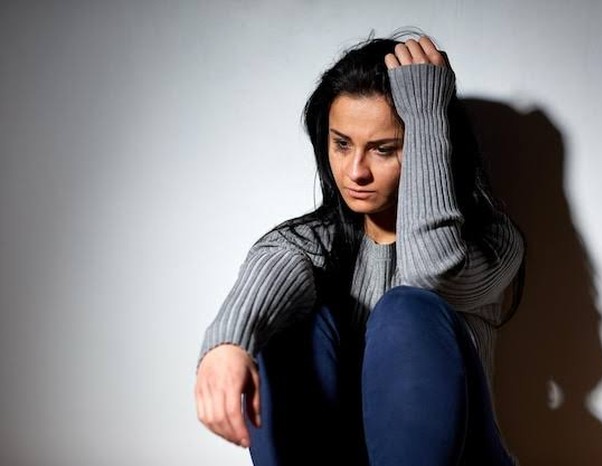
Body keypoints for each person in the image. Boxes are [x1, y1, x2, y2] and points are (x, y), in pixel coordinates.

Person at [195, 33, 525, 466]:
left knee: (406, 309)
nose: (355, 172)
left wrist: (426, 115)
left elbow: (430, 271)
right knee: (287, 327)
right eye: (342, 144)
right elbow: (274, 263)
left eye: (383, 149)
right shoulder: (317, 242)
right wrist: (227, 346)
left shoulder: (492, 242)